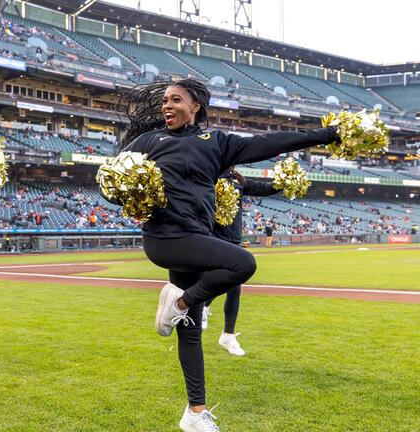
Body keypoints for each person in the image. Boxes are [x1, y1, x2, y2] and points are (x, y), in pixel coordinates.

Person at [109, 78, 340, 431]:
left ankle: (195, 413)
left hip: (196, 237)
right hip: (165, 237)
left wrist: (323, 134)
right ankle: (182, 303)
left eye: (176, 100)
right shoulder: (148, 141)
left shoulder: (215, 143)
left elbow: (267, 143)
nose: (167, 106)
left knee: (189, 334)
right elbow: (113, 181)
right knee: (242, 262)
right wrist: (128, 196)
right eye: (165, 101)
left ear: (195, 106)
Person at [202, 167, 280, 356]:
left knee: (235, 286)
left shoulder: (237, 179)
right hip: (213, 237)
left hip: (234, 238)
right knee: (218, 278)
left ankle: (226, 332)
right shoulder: (207, 174)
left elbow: (264, 189)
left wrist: (285, 182)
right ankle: (204, 307)